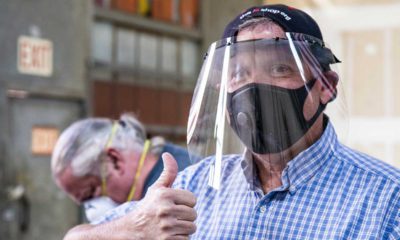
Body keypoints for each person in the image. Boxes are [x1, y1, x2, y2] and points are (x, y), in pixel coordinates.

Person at [63, 4, 400, 240]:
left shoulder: (386, 200)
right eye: (238, 73)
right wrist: (134, 228)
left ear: (326, 87)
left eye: (279, 69)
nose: (254, 87)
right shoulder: (191, 188)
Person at [51, 113, 192, 223]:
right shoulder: (168, 155)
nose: (91, 210)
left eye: (90, 194)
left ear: (114, 160)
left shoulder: (176, 190)